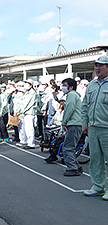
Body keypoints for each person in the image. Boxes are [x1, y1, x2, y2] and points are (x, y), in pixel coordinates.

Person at [82, 56, 108, 199]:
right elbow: (85, 105)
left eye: (101, 66)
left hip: (106, 128)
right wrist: (84, 123)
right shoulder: (91, 85)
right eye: (96, 66)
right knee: (95, 159)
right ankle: (98, 186)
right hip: (93, 127)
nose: (97, 68)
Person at [60, 78, 83, 176]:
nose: (63, 87)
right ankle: (76, 166)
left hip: (74, 123)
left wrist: (64, 122)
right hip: (76, 123)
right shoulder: (74, 95)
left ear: (71, 87)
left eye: (65, 85)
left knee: (67, 147)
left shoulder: (71, 95)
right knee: (70, 146)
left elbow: (69, 108)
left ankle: (73, 168)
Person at [21, 79, 38, 149]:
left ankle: (31, 143)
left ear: (31, 85)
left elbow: (29, 103)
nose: (26, 85)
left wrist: (23, 110)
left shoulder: (32, 93)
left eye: (27, 83)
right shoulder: (28, 92)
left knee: (30, 128)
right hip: (26, 112)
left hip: (30, 112)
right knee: (26, 128)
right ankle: (28, 142)